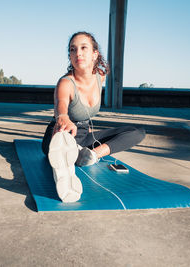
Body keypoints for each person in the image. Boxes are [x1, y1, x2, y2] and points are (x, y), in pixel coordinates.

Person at [42, 31, 145, 203]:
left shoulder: (100, 77)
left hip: (83, 139)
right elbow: (60, 107)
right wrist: (63, 117)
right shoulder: (66, 83)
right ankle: (63, 165)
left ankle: (91, 155)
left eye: (83, 48)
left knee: (138, 131)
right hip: (61, 136)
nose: (78, 53)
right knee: (62, 134)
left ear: (94, 54)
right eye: (72, 50)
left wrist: (89, 139)